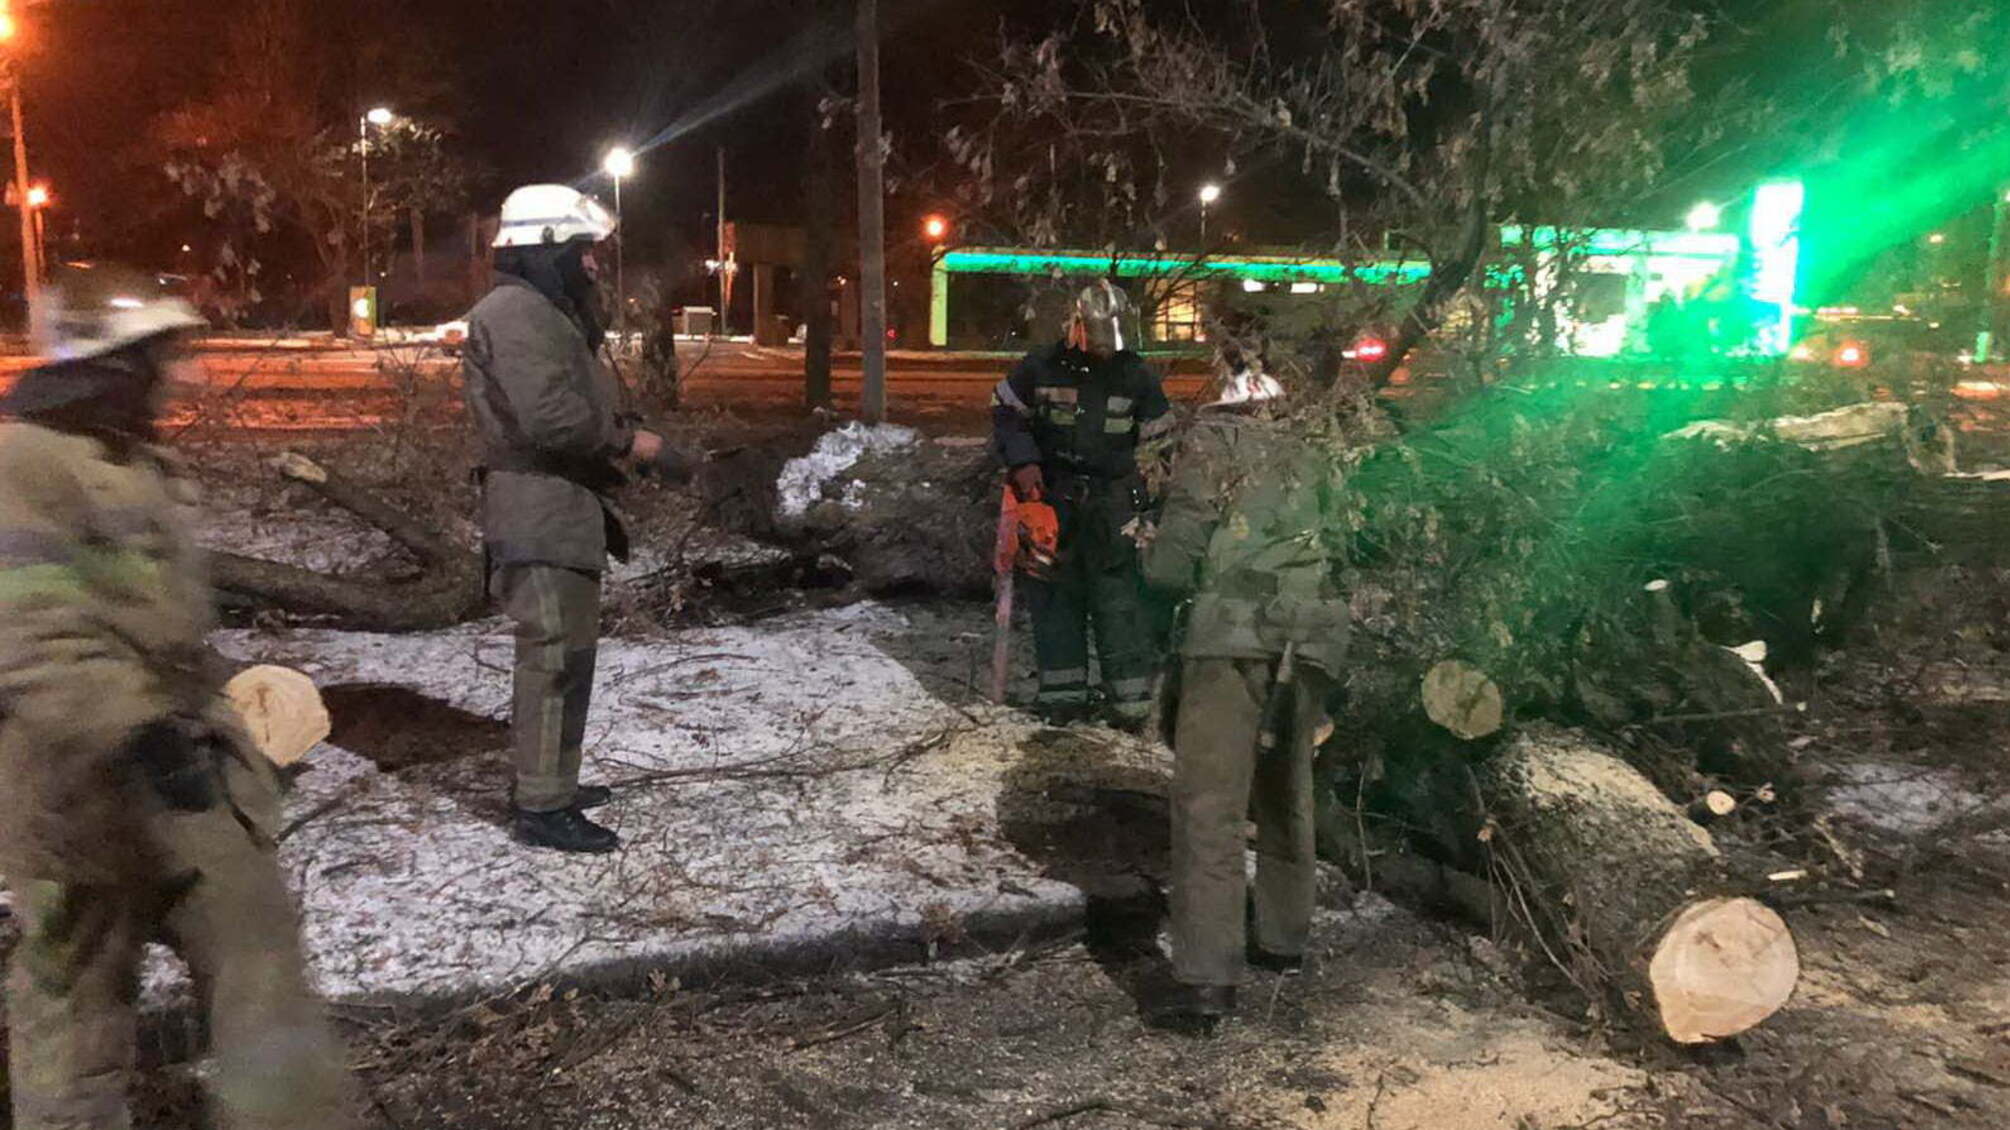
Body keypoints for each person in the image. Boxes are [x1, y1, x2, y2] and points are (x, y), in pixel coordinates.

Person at [0, 264, 358, 1129]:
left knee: (259, 960)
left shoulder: (127, 454)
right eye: (161, 354)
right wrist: (140, 734)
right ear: (112, 362)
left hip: (184, 770)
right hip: (75, 795)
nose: (177, 372)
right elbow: (33, 635)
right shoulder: (23, 462)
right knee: (76, 1020)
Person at [464, 184, 686, 854]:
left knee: (570, 655)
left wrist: (622, 430)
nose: (593, 265)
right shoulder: (515, 311)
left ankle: (552, 781)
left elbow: (569, 406)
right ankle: (541, 805)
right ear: (547, 248)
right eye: (584, 251)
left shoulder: (542, 311)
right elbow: (549, 417)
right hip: (538, 506)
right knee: (554, 657)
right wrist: (630, 444)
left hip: (560, 506)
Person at [1141, 363, 1348, 1025]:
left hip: (1231, 636)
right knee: (1288, 786)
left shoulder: (1215, 442)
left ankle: (1206, 978)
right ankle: (1284, 938)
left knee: (1211, 802)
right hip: (1313, 636)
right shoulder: (1324, 439)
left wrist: (1151, 567)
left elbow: (1176, 558)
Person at [992, 281, 1176, 729]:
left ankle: (1130, 706)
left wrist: (1152, 498)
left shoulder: (1137, 375)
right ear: (1076, 327)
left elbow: (1162, 442)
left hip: (1115, 503)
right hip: (1052, 499)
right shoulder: (1041, 367)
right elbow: (1005, 411)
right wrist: (1024, 462)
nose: (1101, 350)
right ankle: (1062, 697)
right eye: (1094, 339)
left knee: (1121, 602)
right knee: (1054, 595)